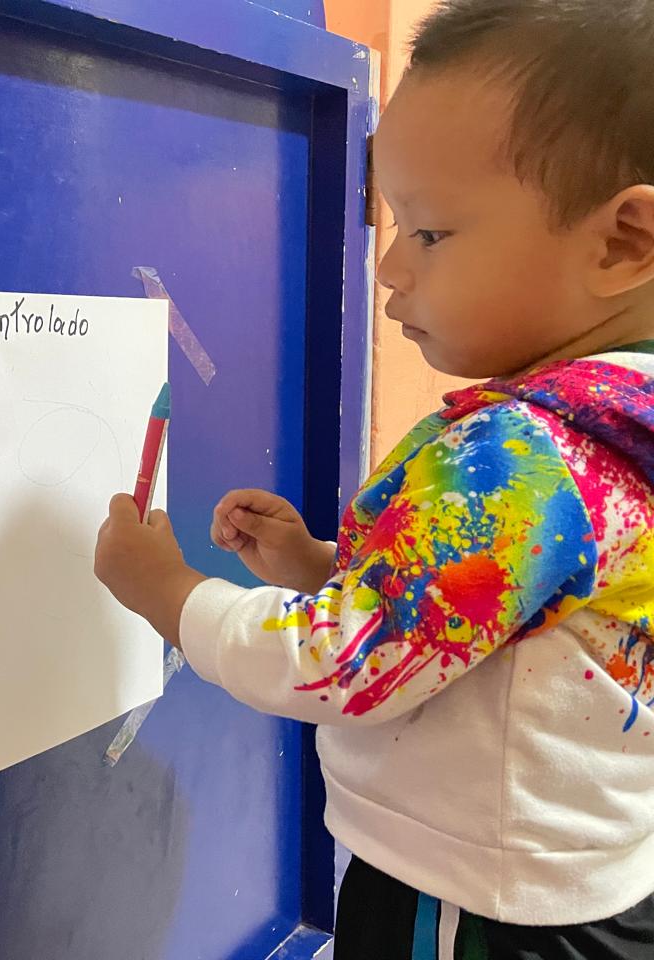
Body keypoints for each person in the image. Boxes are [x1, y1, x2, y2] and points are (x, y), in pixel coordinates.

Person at [94, 1, 654, 955]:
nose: (389, 267)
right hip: (576, 879)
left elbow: (345, 667)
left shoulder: (525, 458)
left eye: (429, 233)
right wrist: (322, 566)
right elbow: (505, 619)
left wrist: (170, 595)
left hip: (474, 905)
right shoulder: (615, 424)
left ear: (621, 244)